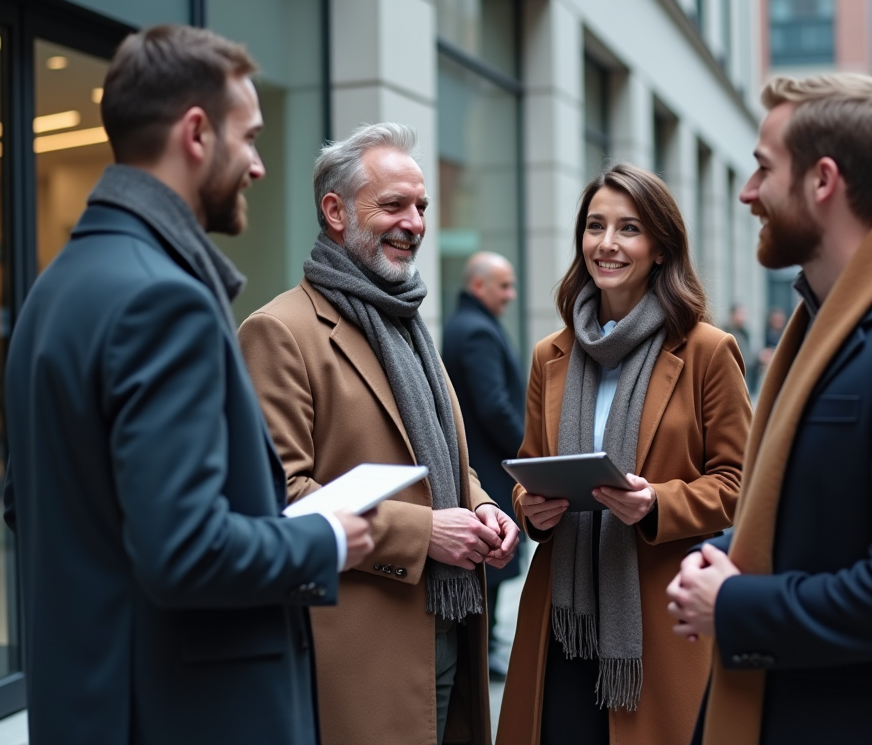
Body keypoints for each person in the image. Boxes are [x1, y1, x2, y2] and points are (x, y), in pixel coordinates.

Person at [3, 25, 374, 745]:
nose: (259, 166)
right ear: (196, 133)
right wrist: (322, 540)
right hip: (186, 714)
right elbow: (184, 551)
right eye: (251, 137)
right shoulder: (161, 299)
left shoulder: (56, 288)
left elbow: (38, 507)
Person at [666, 74, 872, 745]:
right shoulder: (827, 326)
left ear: (823, 181)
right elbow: (820, 517)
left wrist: (737, 605)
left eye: (763, 169)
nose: (747, 192)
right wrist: (725, 554)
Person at [238, 122, 519, 745]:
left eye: (420, 206)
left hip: (450, 626)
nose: (413, 222)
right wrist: (425, 534)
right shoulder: (279, 331)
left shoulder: (410, 321)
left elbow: (446, 458)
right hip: (361, 650)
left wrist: (481, 508)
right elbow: (278, 496)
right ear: (334, 211)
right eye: (392, 204)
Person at [496, 163, 749, 745]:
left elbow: (742, 485)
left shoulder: (708, 352)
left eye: (628, 228)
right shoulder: (549, 355)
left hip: (659, 621)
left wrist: (656, 504)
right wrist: (529, 507)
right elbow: (529, 465)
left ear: (660, 247)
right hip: (562, 620)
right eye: (594, 226)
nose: (606, 244)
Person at [441, 251, 525, 681]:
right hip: (489, 466)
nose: (511, 295)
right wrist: (529, 451)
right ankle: (485, 651)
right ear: (478, 286)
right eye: (504, 286)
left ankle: (487, 647)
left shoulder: (466, 325)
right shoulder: (476, 331)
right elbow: (494, 406)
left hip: (482, 461)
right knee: (492, 559)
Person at [723, 304, 756, 395]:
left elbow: (748, 354)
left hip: (745, 374)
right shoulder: (725, 332)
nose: (743, 317)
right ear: (733, 315)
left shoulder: (745, 332)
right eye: (740, 314)